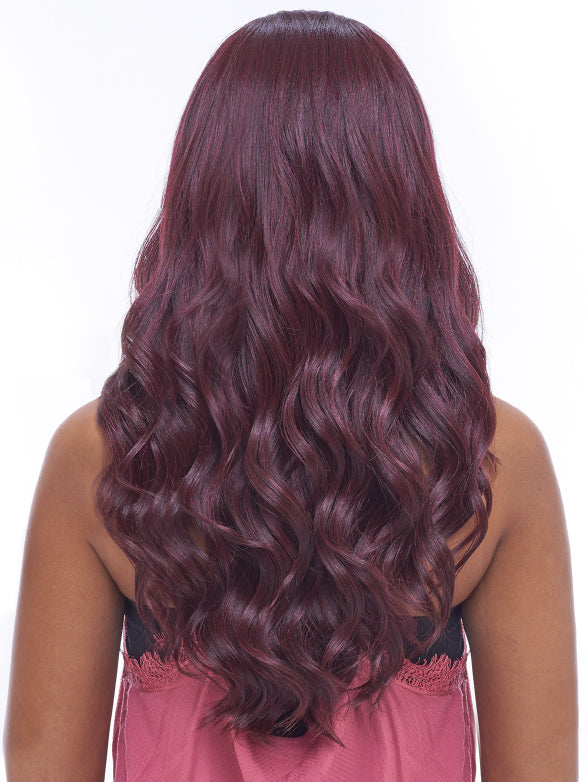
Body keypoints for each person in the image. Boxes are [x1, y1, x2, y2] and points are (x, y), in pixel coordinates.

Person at [3, 9, 578, 781]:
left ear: (202, 196)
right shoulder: (491, 459)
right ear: (403, 200)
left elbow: (42, 768)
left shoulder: (106, 457)